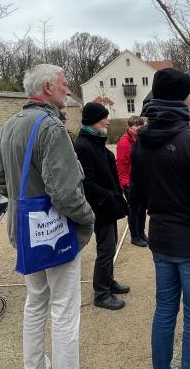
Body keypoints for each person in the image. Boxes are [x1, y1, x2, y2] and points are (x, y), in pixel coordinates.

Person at [0, 63, 95, 369]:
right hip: (55, 234)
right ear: (48, 87)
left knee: (35, 303)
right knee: (64, 310)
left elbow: (1, 183)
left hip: (25, 232)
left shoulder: (11, 124)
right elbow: (64, 193)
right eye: (64, 84)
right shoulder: (51, 127)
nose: (68, 89)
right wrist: (88, 217)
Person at [130, 68, 190, 369]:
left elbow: (136, 197)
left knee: (164, 311)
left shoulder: (141, 142)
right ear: (184, 99)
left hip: (161, 240)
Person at [74, 102, 130, 310]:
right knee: (105, 249)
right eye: (103, 118)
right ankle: (101, 293)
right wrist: (110, 197)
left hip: (108, 205)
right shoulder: (83, 145)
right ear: (93, 121)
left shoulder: (95, 141)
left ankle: (108, 281)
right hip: (100, 207)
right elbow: (87, 182)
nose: (107, 121)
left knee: (111, 245)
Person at [117, 115, 148, 247]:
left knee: (142, 209)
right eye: (135, 125)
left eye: (140, 125)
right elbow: (122, 165)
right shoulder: (124, 142)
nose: (138, 127)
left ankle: (141, 233)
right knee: (134, 210)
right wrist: (125, 184)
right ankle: (135, 236)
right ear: (129, 127)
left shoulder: (139, 140)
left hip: (140, 181)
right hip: (129, 182)